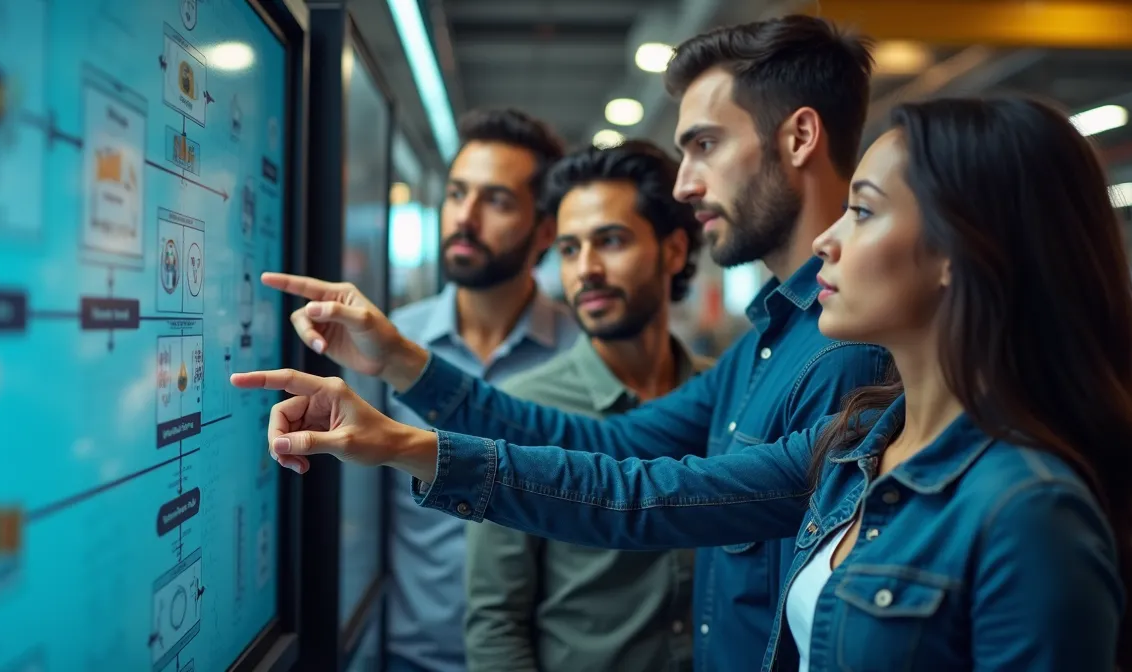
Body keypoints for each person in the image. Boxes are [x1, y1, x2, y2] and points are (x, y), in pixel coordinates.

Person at [234, 96, 1132, 671]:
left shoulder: (1028, 514)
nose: (831, 242)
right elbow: (633, 488)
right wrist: (398, 431)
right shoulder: (856, 441)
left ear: (964, 258)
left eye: (866, 211)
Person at [262, 17, 890, 670]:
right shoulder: (770, 340)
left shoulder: (849, 352)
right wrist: (401, 362)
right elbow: (601, 442)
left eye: (705, 144)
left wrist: (404, 444)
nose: (685, 184)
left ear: (799, 136)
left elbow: (649, 498)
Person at [264, 108, 578, 672]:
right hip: (407, 656)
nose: (466, 217)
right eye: (457, 194)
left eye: (497, 201)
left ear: (546, 230)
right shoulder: (382, 342)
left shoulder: (582, 356)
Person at [464, 141, 711, 672]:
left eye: (612, 241)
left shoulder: (729, 396)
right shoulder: (524, 411)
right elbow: (496, 622)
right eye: (571, 250)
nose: (587, 270)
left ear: (672, 251)